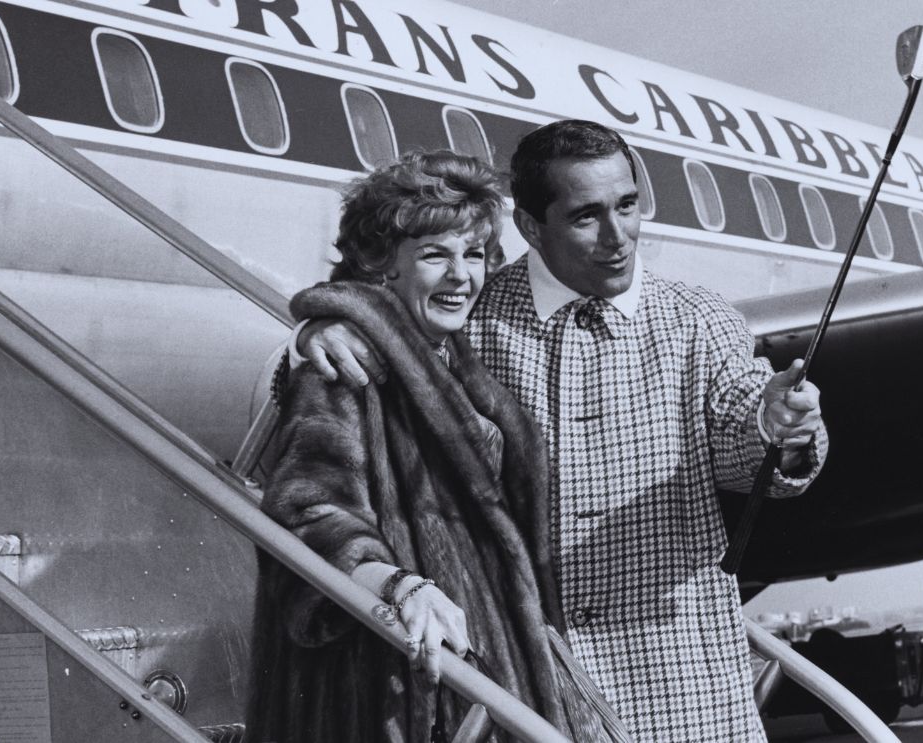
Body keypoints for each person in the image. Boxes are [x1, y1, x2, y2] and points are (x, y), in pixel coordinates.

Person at [293, 119, 828, 742]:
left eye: (628, 206)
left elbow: (745, 437)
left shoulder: (700, 319)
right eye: (585, 217)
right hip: (534, 690)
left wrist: (777, 427)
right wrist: (323, 325)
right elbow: (380, 321)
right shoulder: (471, 315)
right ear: (529, 227)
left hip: (687, 689)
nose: (617, 237)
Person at [245, 150, 627, 743]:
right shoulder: (347, 367)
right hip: (390, 690)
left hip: (472, 681)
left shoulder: (460, 369)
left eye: (473, 255)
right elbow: (309, 514)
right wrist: (402, 588)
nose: (460, 276)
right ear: (381, 269)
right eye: (434, 256)